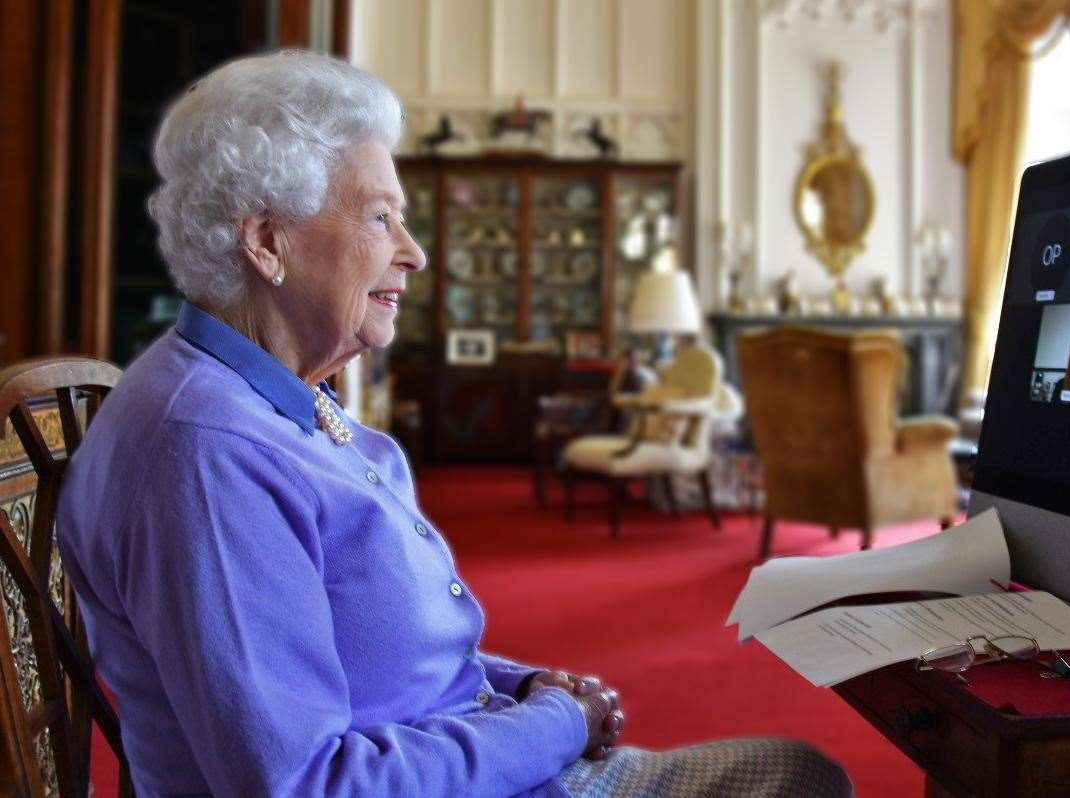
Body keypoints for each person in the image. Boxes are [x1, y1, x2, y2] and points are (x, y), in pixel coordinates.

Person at [56, 51, 850, 798]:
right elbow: (308, 784)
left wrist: (518, 687)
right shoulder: (208, 450)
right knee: (797, 777)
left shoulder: (256, 398)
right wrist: (555, 726)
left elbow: (376, 664)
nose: (415, 253)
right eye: (380, 218)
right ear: (267, 241)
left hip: (461, 752)